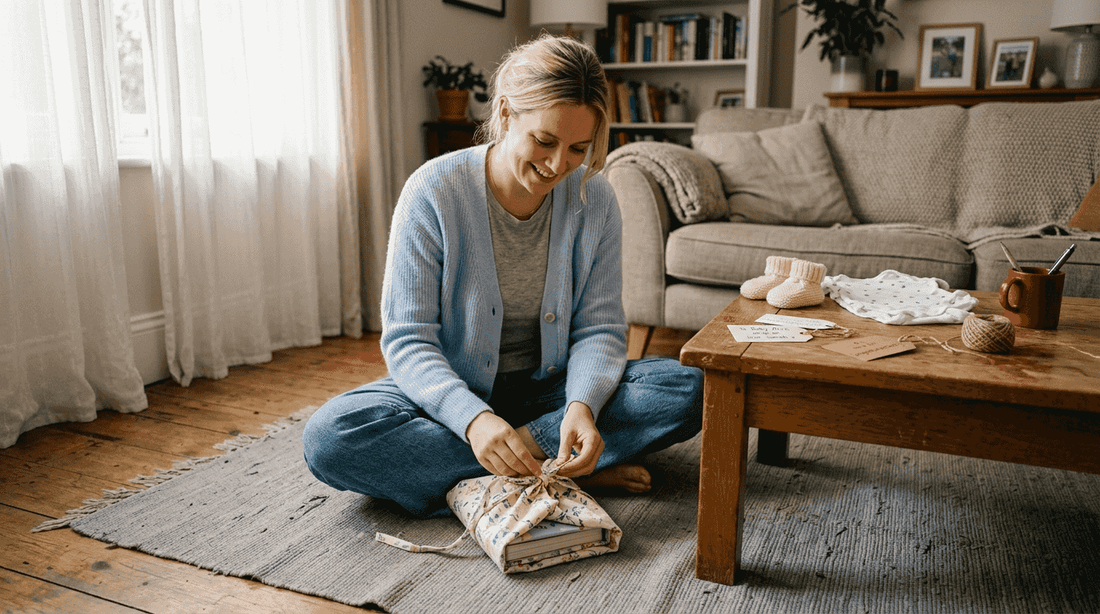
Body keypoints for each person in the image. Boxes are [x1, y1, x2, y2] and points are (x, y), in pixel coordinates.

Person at [302, 34, 703, 518]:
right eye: (545, 141)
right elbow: (409, 342)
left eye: (579, 147)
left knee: (689, 387)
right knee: (331, 438)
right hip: (455, 392)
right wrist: (472, 420)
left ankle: (508, 467)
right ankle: (558, 470)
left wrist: (582, 406)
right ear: (507, 114)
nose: (559, 165)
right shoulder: (433, 191)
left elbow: (599, 328)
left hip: (548, 390)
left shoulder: (594, 199)